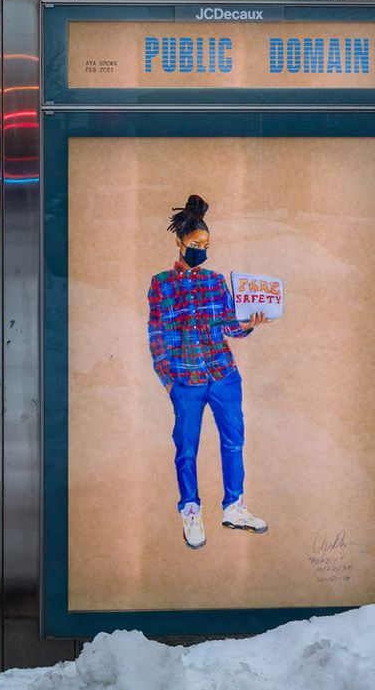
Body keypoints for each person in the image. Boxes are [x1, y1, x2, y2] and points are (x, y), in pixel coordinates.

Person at [146, 194, 270, 551]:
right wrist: (168, 380)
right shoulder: (161, 284)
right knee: (186, 448)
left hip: (223, 373)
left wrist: (249, 323)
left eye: (206, 244)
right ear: (180, 243)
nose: (202, 250)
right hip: (185, 378)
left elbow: (229, 325)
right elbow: (157, 334)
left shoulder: (216, 281)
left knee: (234, 440)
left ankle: (234, 506)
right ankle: (190, 509)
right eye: (196, 244)